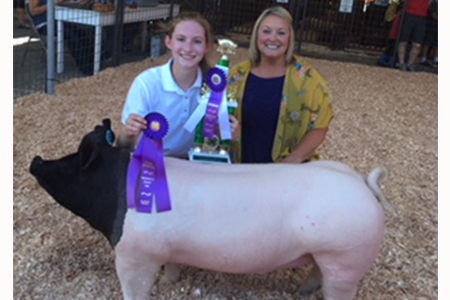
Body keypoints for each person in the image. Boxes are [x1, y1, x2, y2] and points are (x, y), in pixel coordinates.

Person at [117, 12, 238, 158]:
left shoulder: (215, 86)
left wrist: (230, 133)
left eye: (197, 41)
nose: (188, 48)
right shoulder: (146, 84)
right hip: (150, 163)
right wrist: (127, 132)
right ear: (169, 42)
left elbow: (216, 138)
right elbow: (122, 147)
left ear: (208, 47)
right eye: (181, 39)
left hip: (190, 162)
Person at [228, 6, 334, 164]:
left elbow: (320, 125)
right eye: (266, 31)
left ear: (290, 38)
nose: (273, 38)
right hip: (242, 169)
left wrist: (293, 160)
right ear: (256, 35)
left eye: (281, 33)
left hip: (288, 173)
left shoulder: (307, 78)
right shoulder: (237, 75)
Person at [28, 0, 95, 76]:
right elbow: (33, 11)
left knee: (80, 32)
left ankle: (91, 63)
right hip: (44, 24)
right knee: (70, 35)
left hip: (58, 20)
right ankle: (86, 69)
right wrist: (54, 4)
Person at [397, 0, 430, 71]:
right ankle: (401, 63)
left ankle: (410, 63)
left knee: (417, 44)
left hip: (422, 17)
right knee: (403, 41)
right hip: (409, 14)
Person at [420, 0, 438, 67]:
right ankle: (423, 58)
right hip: (431, 26)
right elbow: (433, 15)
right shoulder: (433, 3)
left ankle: (436, 59)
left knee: (437, 44)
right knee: (427, 42)